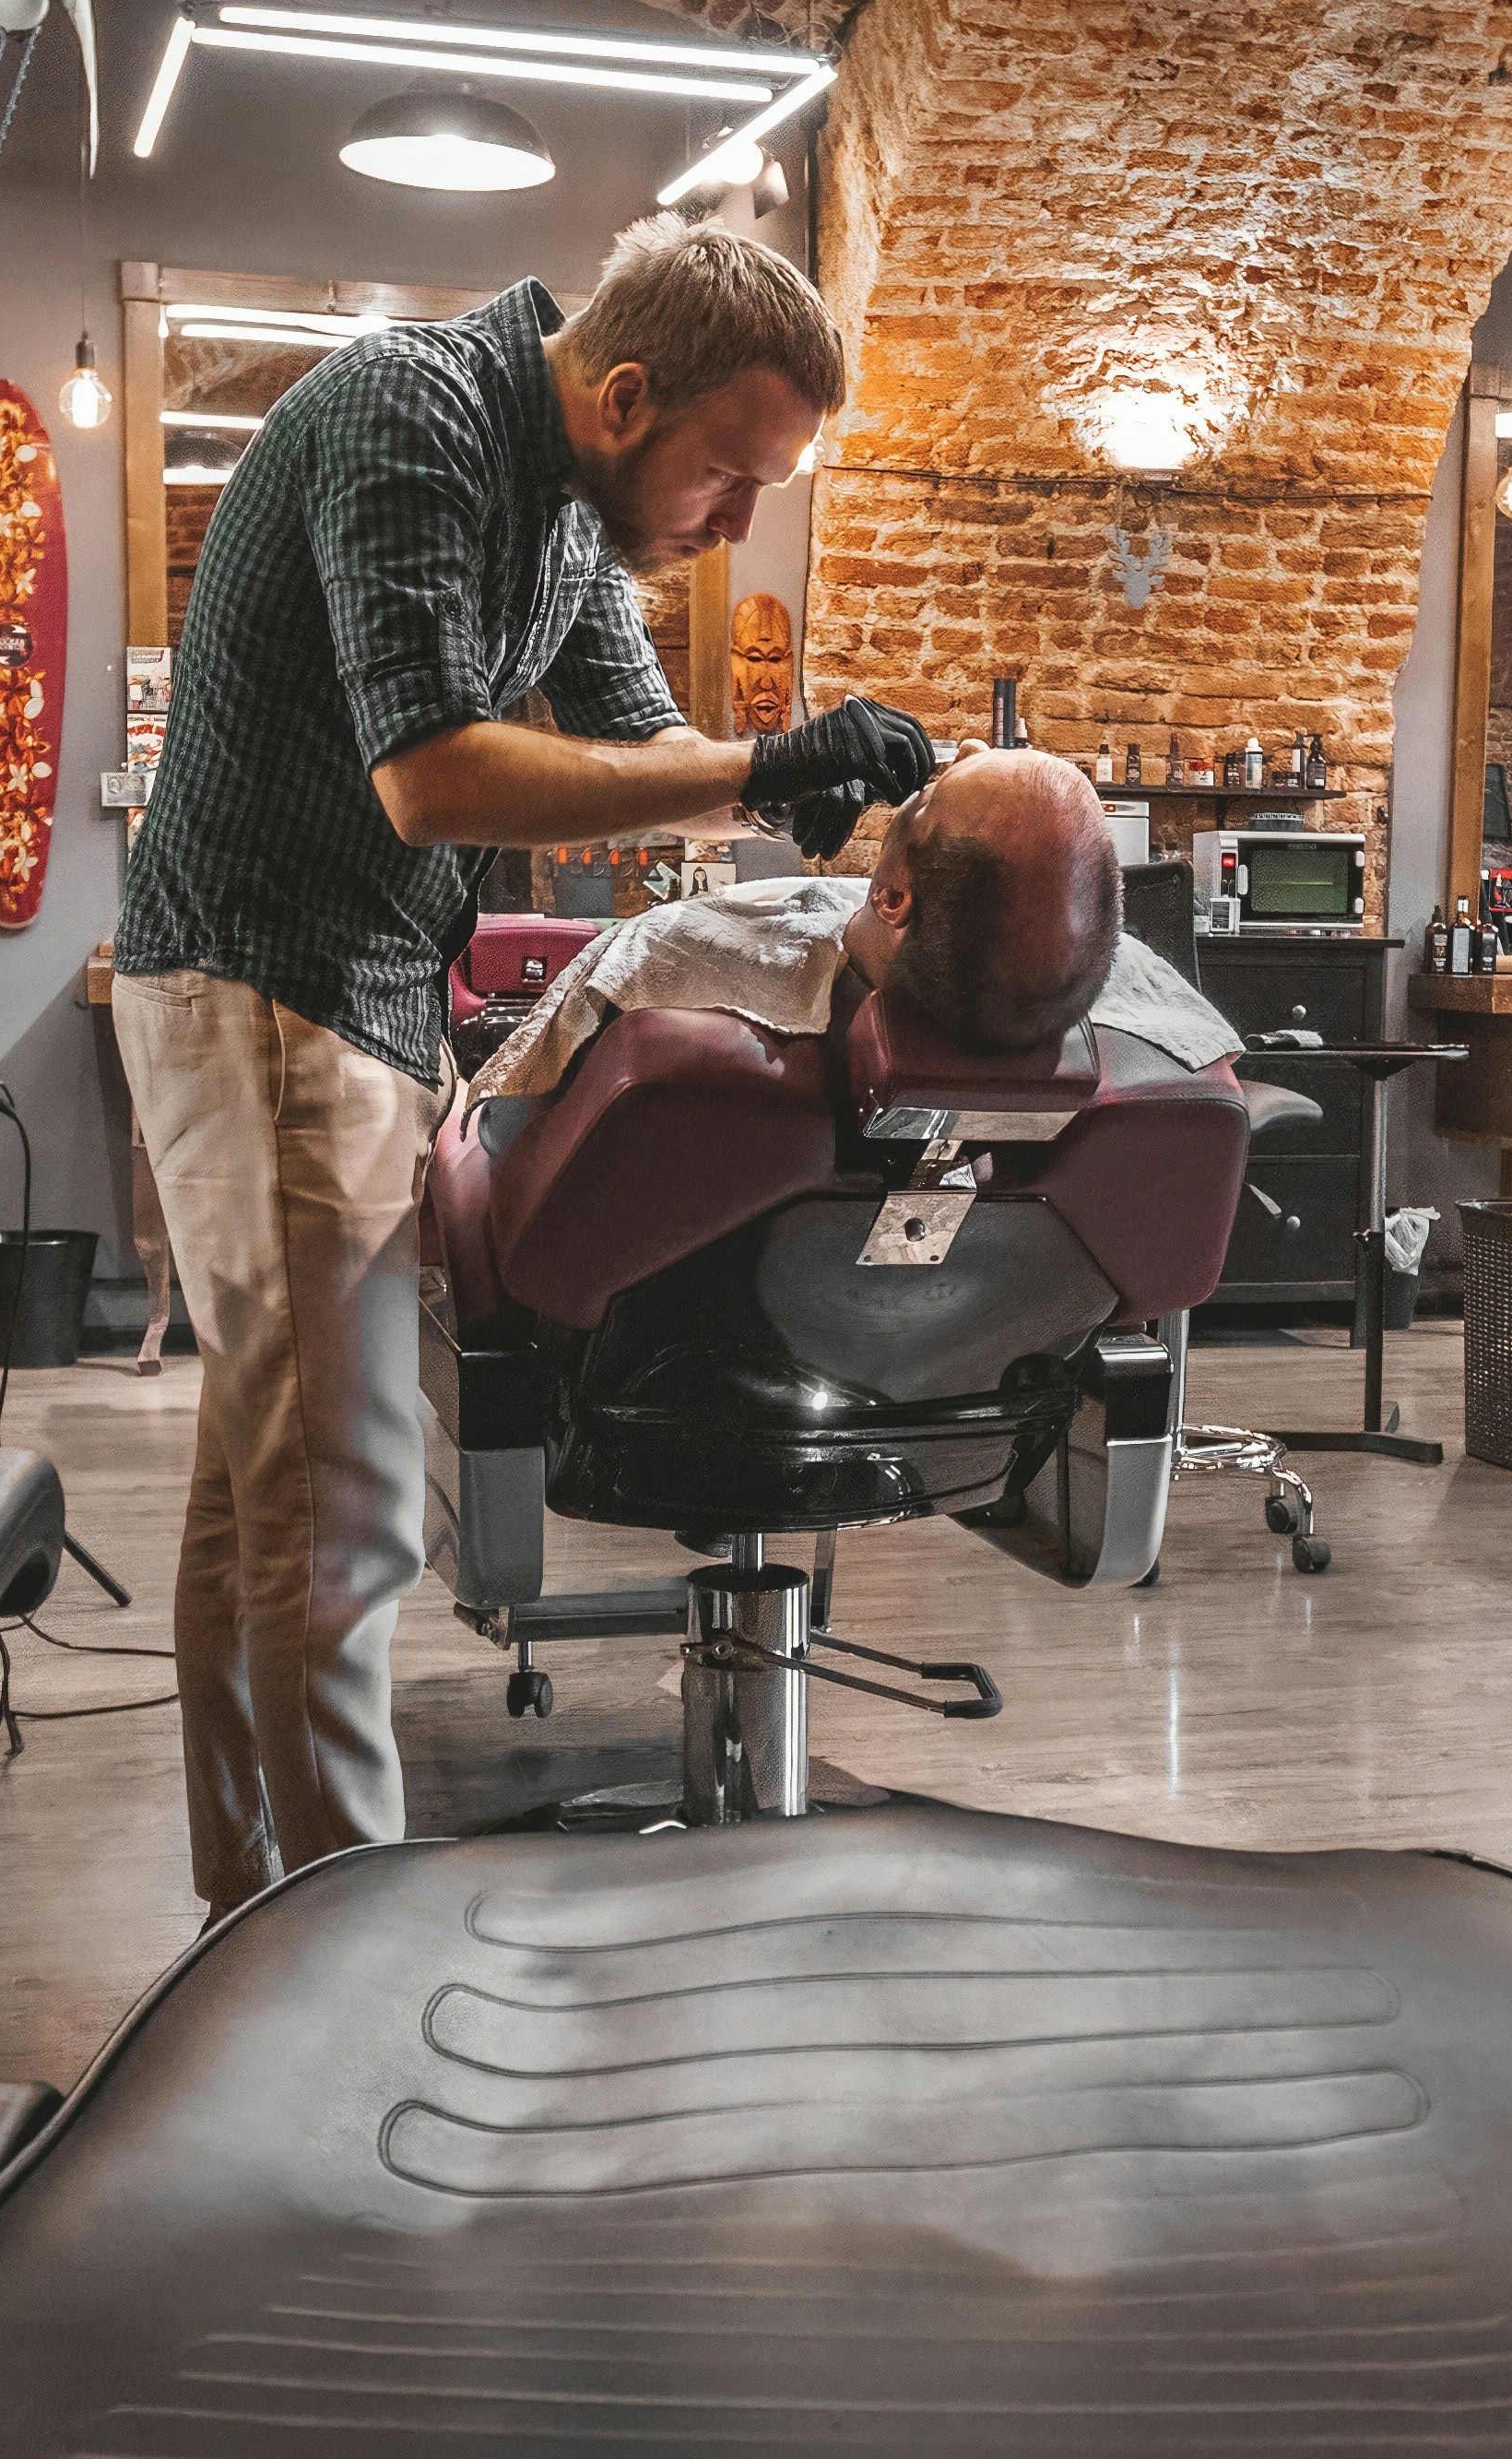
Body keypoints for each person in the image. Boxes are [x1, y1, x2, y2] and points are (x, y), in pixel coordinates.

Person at [112, 213, 936, 1921]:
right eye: (730, 474)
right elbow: (432, 778)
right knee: (341, 1517)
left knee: (262, 1493)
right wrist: (763, 756)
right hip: (267, 985)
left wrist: (808, 801)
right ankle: (351, 1964)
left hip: (351, 997)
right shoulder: (406, 413)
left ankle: (247, 1913)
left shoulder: (570, 523)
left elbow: (649, 761)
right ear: (626, 393)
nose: (737, 523)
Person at [477, 749, 1239, 1096]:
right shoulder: (1118, 1010)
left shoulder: (668, 949)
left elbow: (501, 1125)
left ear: (894, 897)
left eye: (938, 790)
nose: (965, 744)